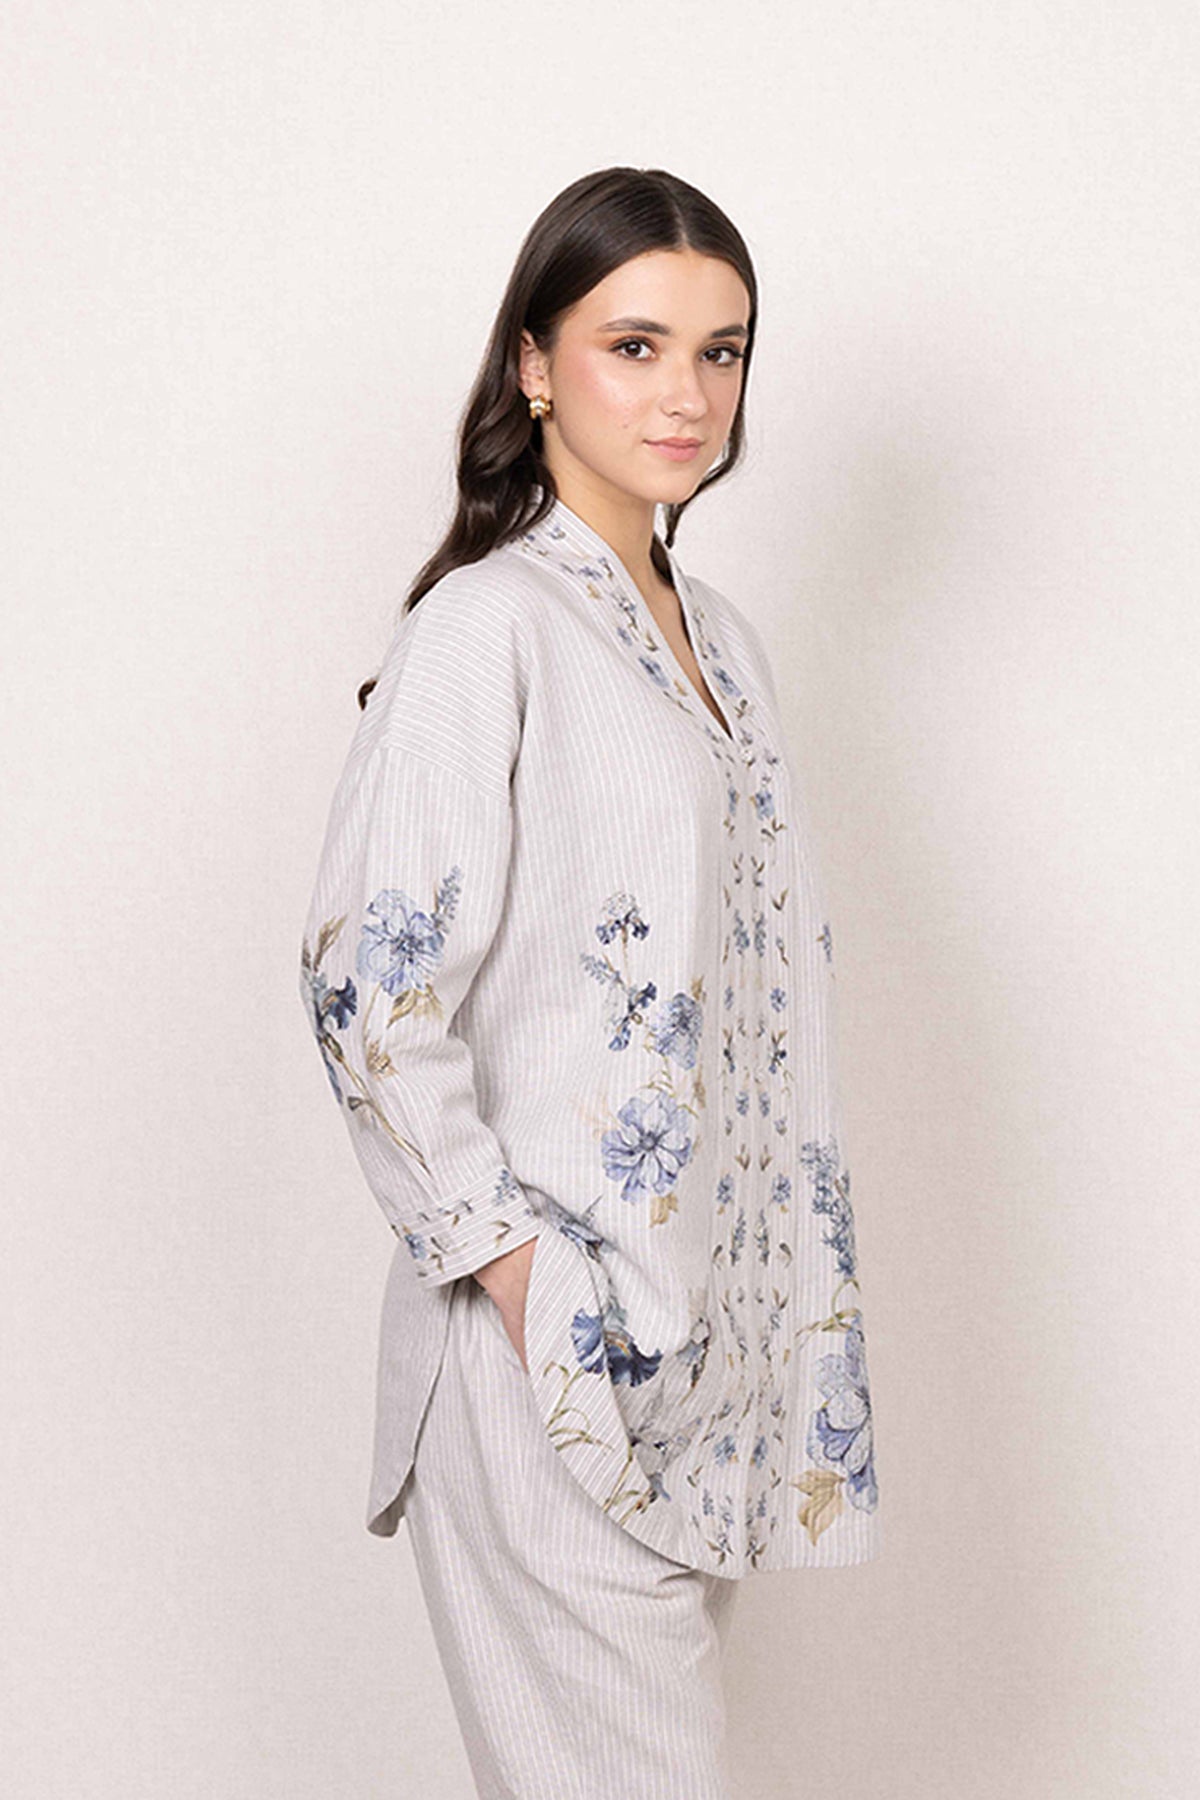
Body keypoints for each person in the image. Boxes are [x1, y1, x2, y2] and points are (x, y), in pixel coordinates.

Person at [298, 164, 882, 1800]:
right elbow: (366, 984)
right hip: (550, 1364)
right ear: (536, 366)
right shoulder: (485, 629)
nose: (687, 394)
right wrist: (522, 1277)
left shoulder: (729, 643)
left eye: (721, 351)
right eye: (635, 346)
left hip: (703, 1376)